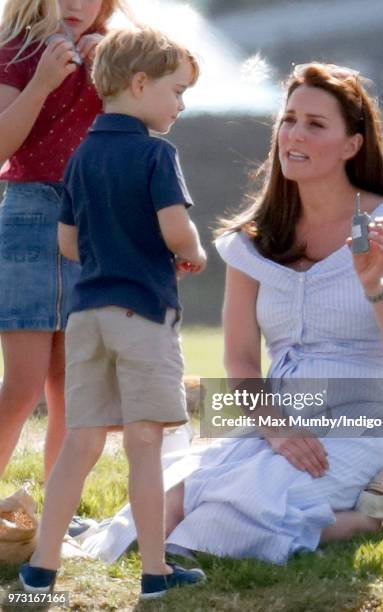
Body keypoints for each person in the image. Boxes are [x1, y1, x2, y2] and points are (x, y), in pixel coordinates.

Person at [159, 62, 383, 564]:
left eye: (315, 123)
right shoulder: (253, 239)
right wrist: (278, 430)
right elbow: (241, 362)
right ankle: (360, 509)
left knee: (224, 526)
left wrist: (376, 288)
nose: (294, 134)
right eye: (288, 119)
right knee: (167, 512)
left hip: (360, 419)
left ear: (352, 144)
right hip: (279, 417)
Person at [19, 27, 207, 599]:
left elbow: (69, 243)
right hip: (143, 315)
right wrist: (191, 252)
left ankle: (41, 567)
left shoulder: (81, 155)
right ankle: (155, 571)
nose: (181, 104)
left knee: (81, 441)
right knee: (145, 443)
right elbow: (176, 228)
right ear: (140, 82)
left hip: (86, 317)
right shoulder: (157, 153)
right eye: (176, 91)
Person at [0, 0, 132, 481]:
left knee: (74, 387)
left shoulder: (121, 53)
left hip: (97, 219)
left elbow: (161, 117)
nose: (76, 4)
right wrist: (41, 83)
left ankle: (59, 511)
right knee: (22, 384)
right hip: (31, 213)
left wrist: (115, 75)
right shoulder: (17, 49)